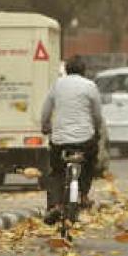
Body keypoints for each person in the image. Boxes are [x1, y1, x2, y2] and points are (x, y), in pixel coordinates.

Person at [41, 55, 103, 225]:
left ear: (66, 70)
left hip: (60, 139)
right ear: (84, 71)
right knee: (90, 163)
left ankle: (54, 205)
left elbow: (46, 110)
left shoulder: (57, 85)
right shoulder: (90, 86)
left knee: (56, 171)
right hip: (84, 139)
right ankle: (83, 194)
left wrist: (45, 126)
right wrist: (97, 130)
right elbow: (97, 115)